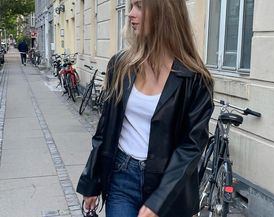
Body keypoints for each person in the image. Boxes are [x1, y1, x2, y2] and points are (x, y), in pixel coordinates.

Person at [76, 0, 214, 217]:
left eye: (139, 6)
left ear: (165, 12)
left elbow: (191, 146)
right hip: (122, 176)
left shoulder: (195, 79)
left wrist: (159, 200)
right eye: (131, 6)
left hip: (168, 182)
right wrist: (91, 181)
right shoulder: (121, 65)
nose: (130, 14)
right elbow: (105, 128)